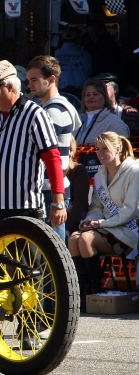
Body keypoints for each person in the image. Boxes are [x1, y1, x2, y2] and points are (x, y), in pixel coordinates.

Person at [0, 60, 66, 347]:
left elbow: (52, 158)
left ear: (10, 86)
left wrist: (58, 199)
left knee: (25, 274)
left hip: (23, 208)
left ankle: (28, 330)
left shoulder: (35, 115)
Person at [68, 132, 139, 310]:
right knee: (74, 238)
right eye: (98, 149)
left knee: (85, 239)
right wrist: (90, 220)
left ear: (117, 149)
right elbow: (96, 208)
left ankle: (95, 291)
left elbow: (130, 212)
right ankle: (83, 295)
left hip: (129, 232)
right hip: (107, 229)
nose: (99, 153)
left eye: (105, 149)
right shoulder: (100, 174)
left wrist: (100, 224)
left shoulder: (134, 171)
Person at [26, 55, 82, 242]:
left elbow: (50, 156)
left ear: (51, 79)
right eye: (28, 81)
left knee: (52, 257)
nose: (30, 85)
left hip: (51, 191)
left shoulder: (54, 111)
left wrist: (57, 202)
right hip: (50, 190)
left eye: (35, 80)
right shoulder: (52, 108)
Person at [75, 79, 129, 145]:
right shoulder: (76, 119)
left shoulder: (114, 122)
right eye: (87, 95)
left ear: (105, 97)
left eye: (95, 94)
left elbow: (122, 148)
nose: (91, 97)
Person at [94, 73, 139, 138]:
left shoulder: (129, 112)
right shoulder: (90, 114)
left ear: (114, 89)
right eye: (97, 89)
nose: (100, 92)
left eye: (103, 88)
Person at [55, 28, 92, 99]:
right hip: (81, 93)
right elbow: (89, 71)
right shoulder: (85, 54)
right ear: (78, 39)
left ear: (62, 39)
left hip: (60, 92)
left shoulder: (54, 54)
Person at [66, 136, 90, 237]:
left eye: (71, 150)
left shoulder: (78, 169)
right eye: (63, 149)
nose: (68, 153)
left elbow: (80, 203)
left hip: (74, 220)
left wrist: (67, 228)